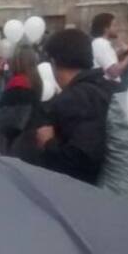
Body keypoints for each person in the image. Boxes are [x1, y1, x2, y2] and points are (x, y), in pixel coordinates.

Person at [34, 29, 112, 184]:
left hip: (87, 195)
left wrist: (48, 143)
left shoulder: (72, 99)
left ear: (54, 62)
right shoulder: (110, 87)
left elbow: (81, 162)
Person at [0, 45, 45, 160]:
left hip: (17, 143)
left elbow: (12, 119)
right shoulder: (35, 80)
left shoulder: (18, 83)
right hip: (31, 137)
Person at [90, 12, 128, 82]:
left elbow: (105, 60)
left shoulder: (99, 43)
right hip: (109, 87)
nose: (117, 28)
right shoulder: (101, 44)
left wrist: (120, 52)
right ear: (106, 29)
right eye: (114, 25)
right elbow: (114, 72)